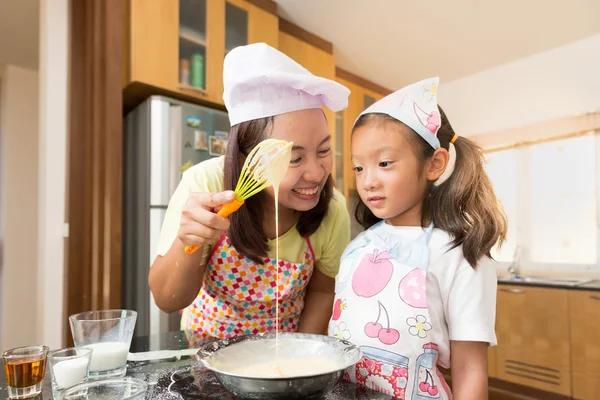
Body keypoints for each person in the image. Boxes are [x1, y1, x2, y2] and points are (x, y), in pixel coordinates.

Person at [149, 43, 352, 341]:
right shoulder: (205, 185)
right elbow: (167, 301)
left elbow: (322, 291)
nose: (317, 173)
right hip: (207, 349)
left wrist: (298, 357)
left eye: (323, 151)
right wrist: (188, 242)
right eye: (294, 158)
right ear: (247, 159)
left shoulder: (332, 208)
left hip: (286, 354)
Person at [328, 77, 507, 399]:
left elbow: (470, 369)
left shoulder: (459, 254)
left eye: (384, 164)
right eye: (358, 168)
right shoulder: (356, 248)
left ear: (434, 164)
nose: (367, 181)